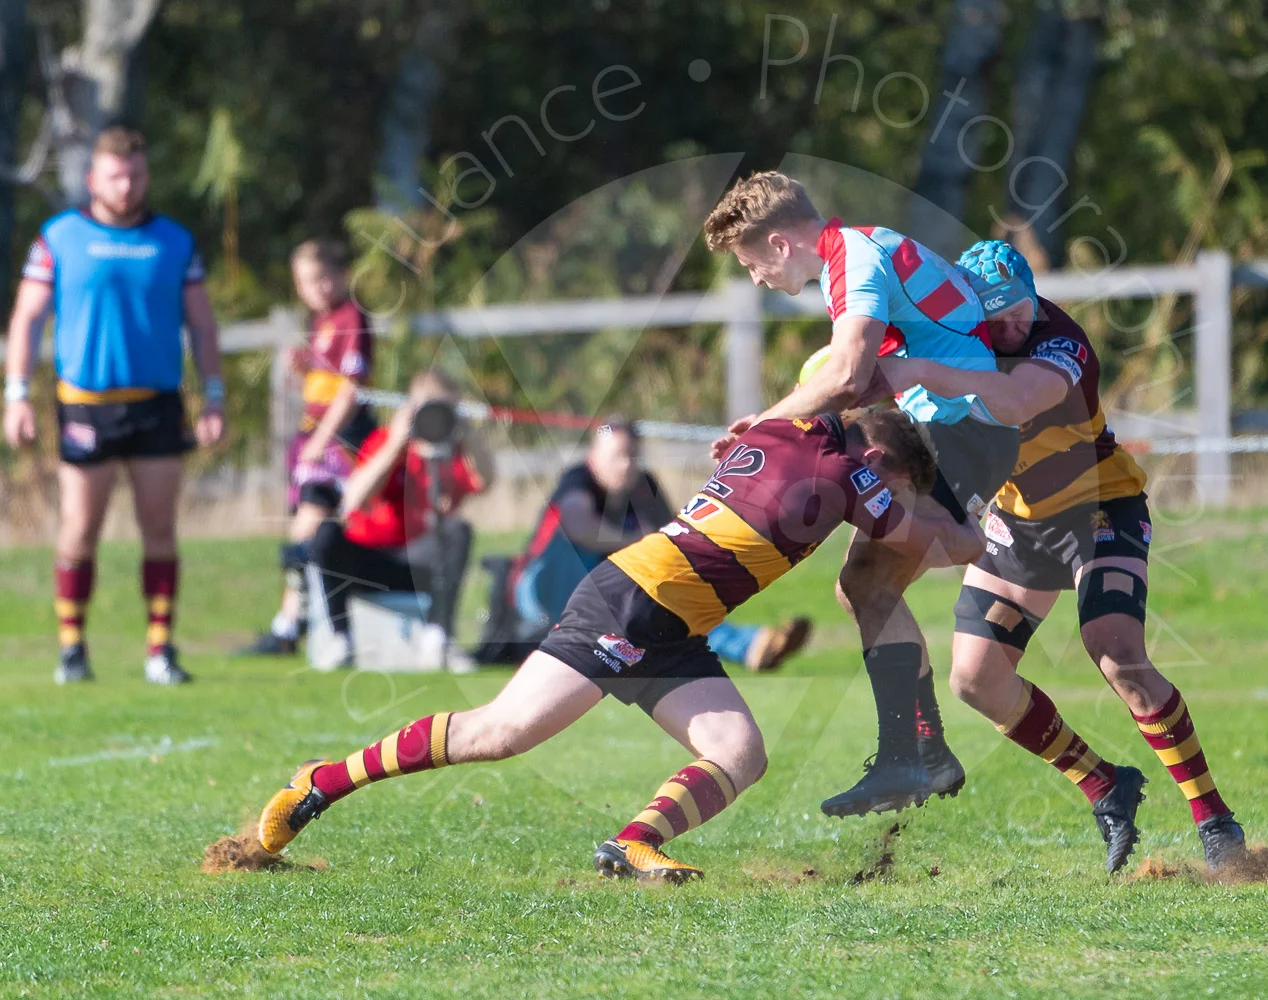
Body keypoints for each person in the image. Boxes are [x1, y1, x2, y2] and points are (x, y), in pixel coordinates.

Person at [257, 409, 974, 882]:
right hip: (633, 600)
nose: (890, 501)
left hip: (674, 620)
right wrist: (992, 536)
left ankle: (633, 844)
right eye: (898, 486)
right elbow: (925, 543)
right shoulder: (848, 471)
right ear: (876, 456)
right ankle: (321, 783)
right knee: (498, 732)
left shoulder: (783, 428)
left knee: (740, 751)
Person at [877, 239, 1247, 872]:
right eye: (996, 317)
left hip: (1100, 506)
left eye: (1019, 309)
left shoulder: (1059, 341)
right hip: (1019, 522)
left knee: (1117, 653)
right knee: (975, 679)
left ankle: (1215, 821)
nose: (1011, 325)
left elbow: (1016, 400)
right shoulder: (962, 340)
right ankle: (1106, 786)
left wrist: (921, 372)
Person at [703, 171, 1017, 817]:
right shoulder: (855, 255)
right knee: (865, 586)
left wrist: (765, 427)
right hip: (953, 432)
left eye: (751, 262)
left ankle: (915, 758)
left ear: (782, 243)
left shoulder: (857, 258)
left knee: (868, 584)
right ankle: (922, 757)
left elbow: (848, 375)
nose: (756, 278)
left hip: (962, 434)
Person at [3, 127, 226, 686]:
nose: (126, 186)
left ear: (147, 177)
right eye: (114, 175)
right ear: (92, 179)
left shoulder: (174, 241)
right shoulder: (59, 237)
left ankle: (160, 649)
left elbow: (201, 322)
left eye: (135, 175)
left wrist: (215, 393)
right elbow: (27, 318)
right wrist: (16, 395)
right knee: (79, 527)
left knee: (159, 526)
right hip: (85, 405)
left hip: (155, 403)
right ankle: (73, 647)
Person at [495, 417, 813, 672]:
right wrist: (635, 540)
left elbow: (674, 539)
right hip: (538, 588)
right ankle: (745, 645)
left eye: (632, 456)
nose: (626, 465)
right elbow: (579, 525)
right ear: (593, 458)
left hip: (606, 592)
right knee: (585, 554)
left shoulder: (643, 486)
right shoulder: (578, 479)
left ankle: (752, 645)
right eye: (617, 457)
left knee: (667, 596)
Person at [236, 240, 376, 656]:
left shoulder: (352, 318)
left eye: (321, 278)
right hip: (317, 439)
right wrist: (306, 367)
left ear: (341, 274)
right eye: (305, 282)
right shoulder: (322, 322)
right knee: (306, 526)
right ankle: (293, 622)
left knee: (309, 528)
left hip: (340, 442)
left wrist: (320, 438)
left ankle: (293, 626)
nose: (315, 289)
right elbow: (327, 381)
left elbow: (351, 390)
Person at [304, 370, 493, 672]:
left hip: (420, 561)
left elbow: (485, 481)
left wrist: (467, 433)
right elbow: (353, 499)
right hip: (370, 559)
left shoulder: (454, 454)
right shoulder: (384, 441)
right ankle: (342, 640)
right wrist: (397, 443)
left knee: (459, 530)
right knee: (327, 532)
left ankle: (438, 636)